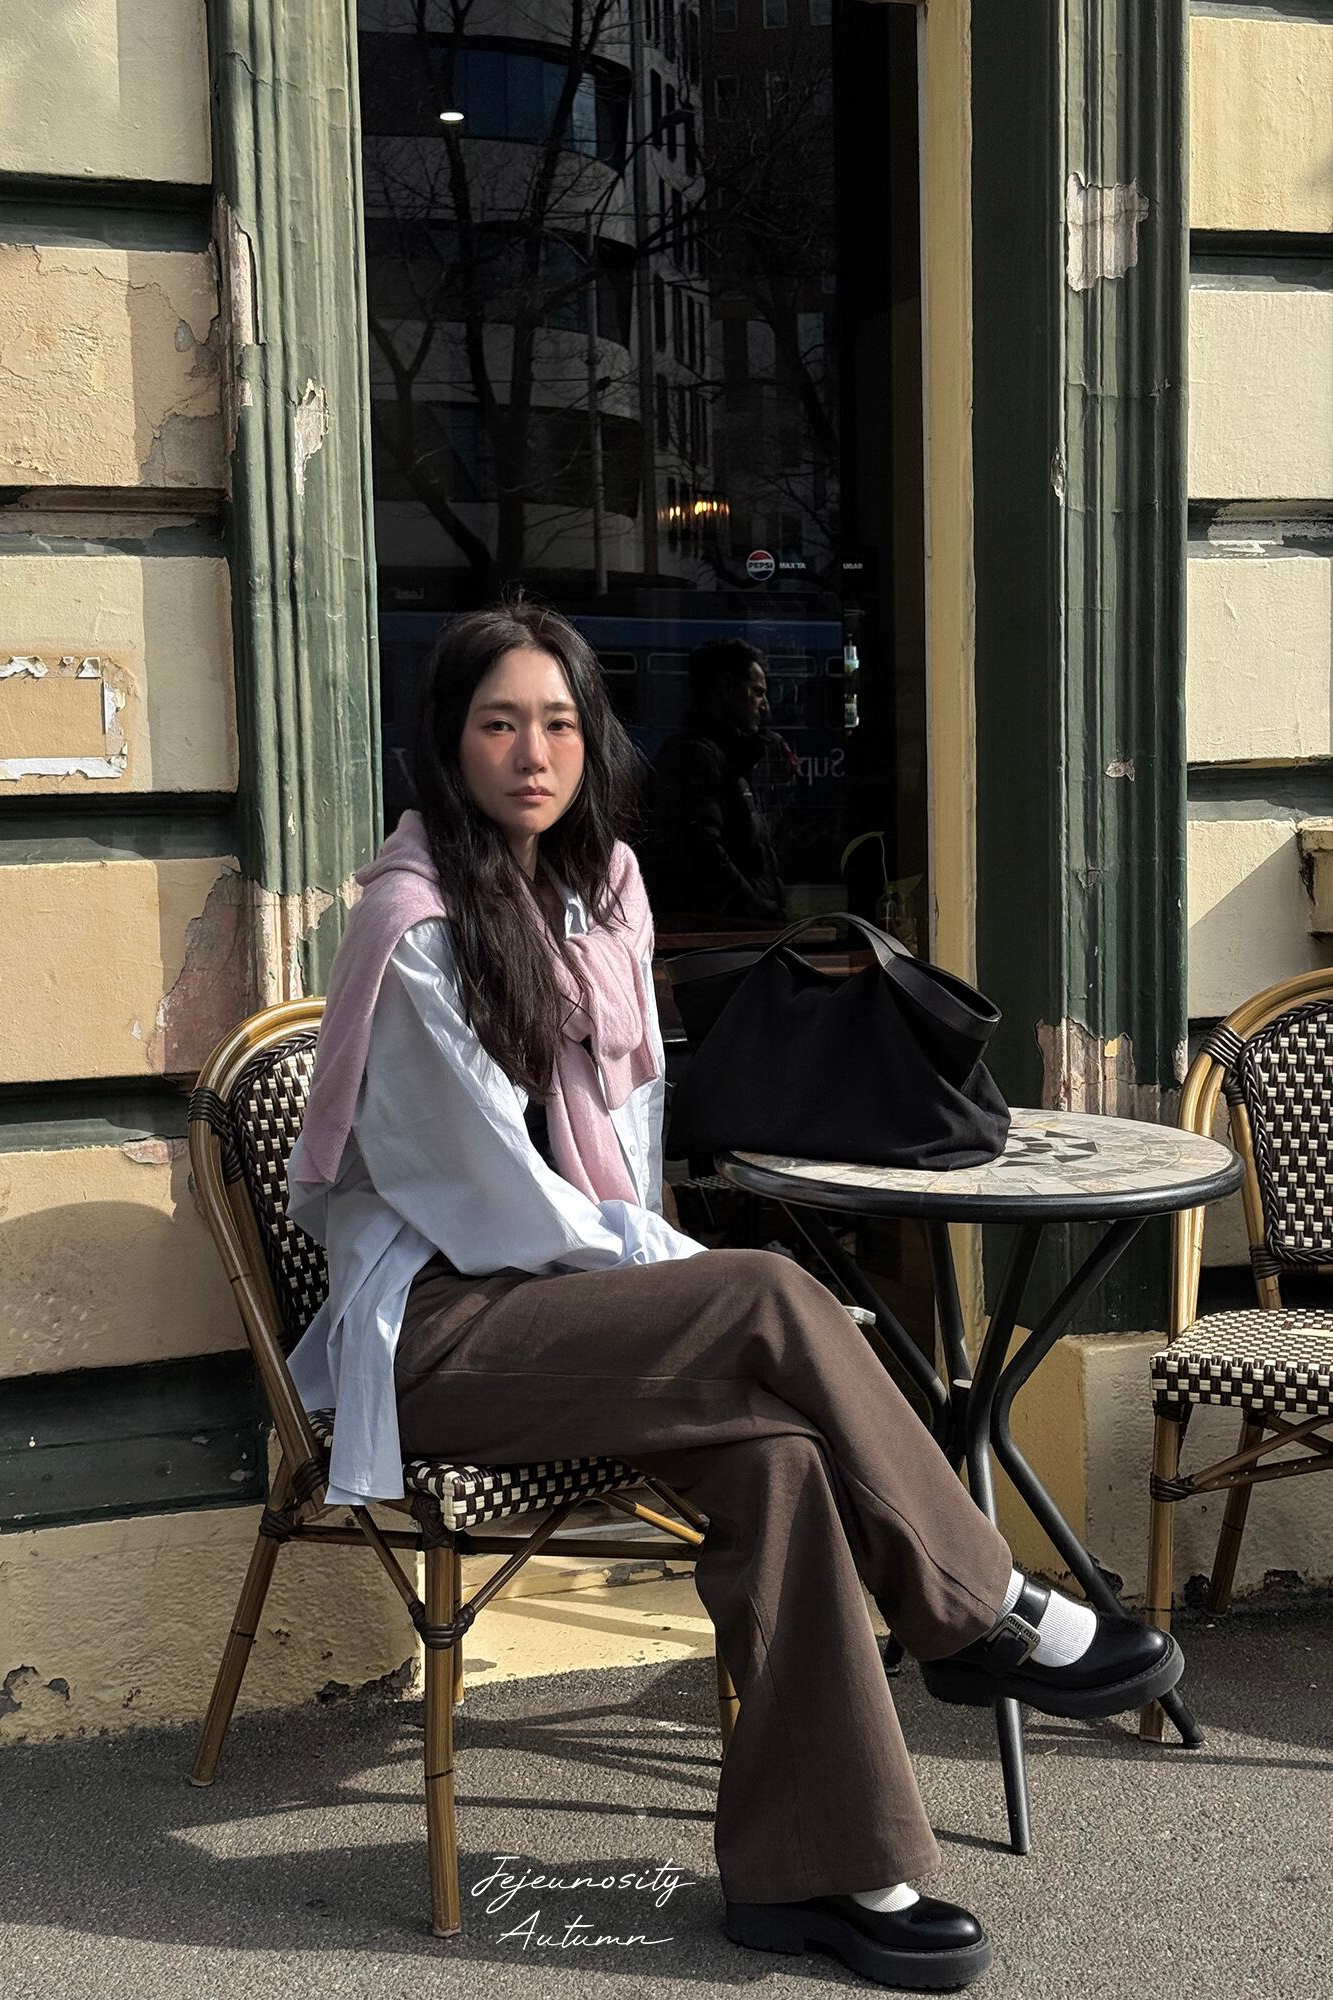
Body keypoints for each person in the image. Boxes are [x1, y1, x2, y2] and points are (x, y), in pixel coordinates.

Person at [285, 601, 1181, 1991]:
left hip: (580, 1317)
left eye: (560, 722)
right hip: (447, 1334)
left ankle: (817, 1871)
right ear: (447, 742)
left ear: (593, 737)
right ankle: (982, 1603)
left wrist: (670, 1271)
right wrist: (690, 1277)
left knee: (782, 1460)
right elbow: (498, 1204)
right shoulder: (414, 930)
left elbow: (626, 1142)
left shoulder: (595, 897)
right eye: (498, 723)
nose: (533, 752)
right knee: (762, 1293)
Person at [641, 637, 787, 927]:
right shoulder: (695, 757)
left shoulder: (724, 757)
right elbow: (703, 855)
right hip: (725, 934)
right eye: (757, 692)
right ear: (726, 688)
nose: (765, 706)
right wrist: (758, 912)